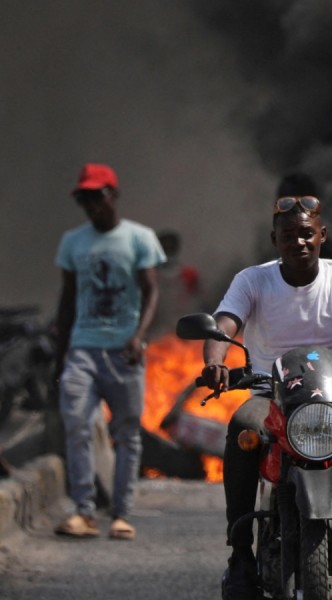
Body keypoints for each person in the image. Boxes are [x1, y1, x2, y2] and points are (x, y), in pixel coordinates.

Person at [201, 183, 332, 600]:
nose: (299, 241)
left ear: (322, 235)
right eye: (288, 235)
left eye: (306, 234)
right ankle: (240, 557)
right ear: (274, 240)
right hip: (269, 396)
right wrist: (215, 362)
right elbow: (224, 323)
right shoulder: (253, 280)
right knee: (241, 432)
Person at [53, 163, 166, 540]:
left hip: (124, 350)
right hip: (83, 348)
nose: (90, 204)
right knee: (78, 425)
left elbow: (151, 291)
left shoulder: (139, 239)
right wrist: (60, 354)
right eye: (83, 197)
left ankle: (121, 514)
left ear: (112, 195)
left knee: (127, 433)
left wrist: (139, 335)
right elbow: (67, 300)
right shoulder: (73, 242)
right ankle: (84, 512)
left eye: (96, 196)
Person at [152, 230, 202, 336]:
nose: (168, 253)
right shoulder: (150, 276)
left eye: (171, 249)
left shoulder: (189, 274)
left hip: (182, 330)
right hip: (156, 332)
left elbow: (196, 302)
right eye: (164, 249)